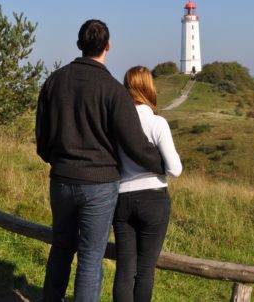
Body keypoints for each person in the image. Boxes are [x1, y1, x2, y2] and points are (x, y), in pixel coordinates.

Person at [36, 20, 165, 302]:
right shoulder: (113, 90)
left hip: (60, 179)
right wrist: (162, 164)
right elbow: (135, 145)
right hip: (100, 185)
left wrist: (57, 161)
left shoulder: (53, 81)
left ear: (79, 44)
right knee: (91, 258)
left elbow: (42, 140)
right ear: (108, 46)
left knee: (60, 249)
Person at [112, 66, 183, 302]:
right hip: (153, 198)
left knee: (125, 269)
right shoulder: (157, 123)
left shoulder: (116, 123)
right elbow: (175, 169)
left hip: (121, 198)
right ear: (149, 88)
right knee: (144, 271)